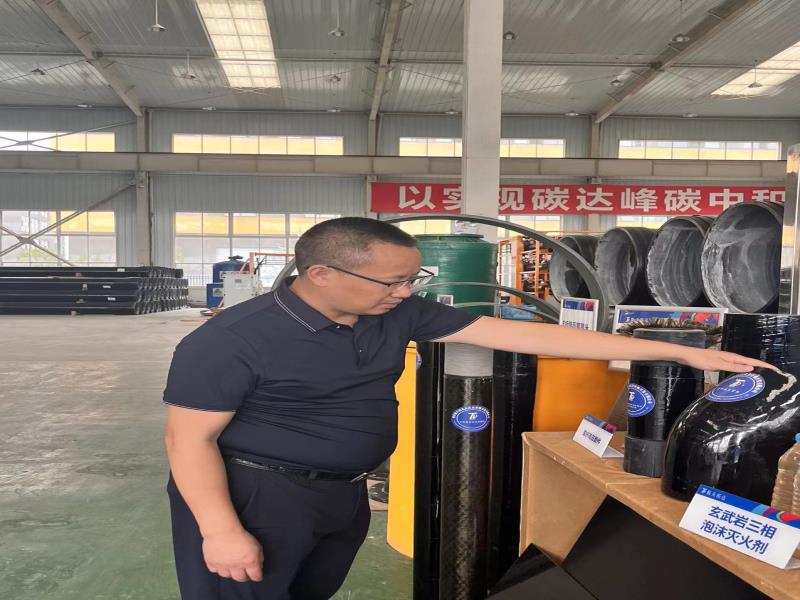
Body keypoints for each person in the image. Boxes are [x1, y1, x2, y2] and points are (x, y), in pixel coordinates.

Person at [163, 217, 770, 600]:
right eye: (392, 282)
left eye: (413, 278)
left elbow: (524, 334)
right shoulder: (231, 340)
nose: (406, 292)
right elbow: (187, 442)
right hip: (255, 497)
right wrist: (221, 531)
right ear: (320, 273)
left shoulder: (395, 313)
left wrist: (678, 352)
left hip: (339, 496)